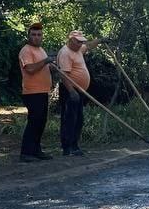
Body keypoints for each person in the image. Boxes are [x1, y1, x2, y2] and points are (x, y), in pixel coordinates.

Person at [56, 30, 98, 156]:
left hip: (79, 91)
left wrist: (100, 41)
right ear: (71, 40)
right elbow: (64, 75)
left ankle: (74, 145)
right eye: (78, 41)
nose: (81, 44)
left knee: (78, 118)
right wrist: (72, 91)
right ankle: (67, 147)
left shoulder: (78, 50)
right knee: (70, 118)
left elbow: (89, 46)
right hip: (70, 90)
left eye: (81, 42)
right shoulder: (65, 53)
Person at [17, 23, 53, 162]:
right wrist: (45, 61)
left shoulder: (41, 50)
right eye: (33, 34)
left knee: (41, 122)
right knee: (34, 122)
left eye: (39, 35)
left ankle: (36, 150)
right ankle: (25, 153)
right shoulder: (26, 51)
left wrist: (53, 66)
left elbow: (46, 68)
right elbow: (30, 69)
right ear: (28, 36)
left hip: (43, 91)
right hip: (32, 92)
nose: (37, 37)